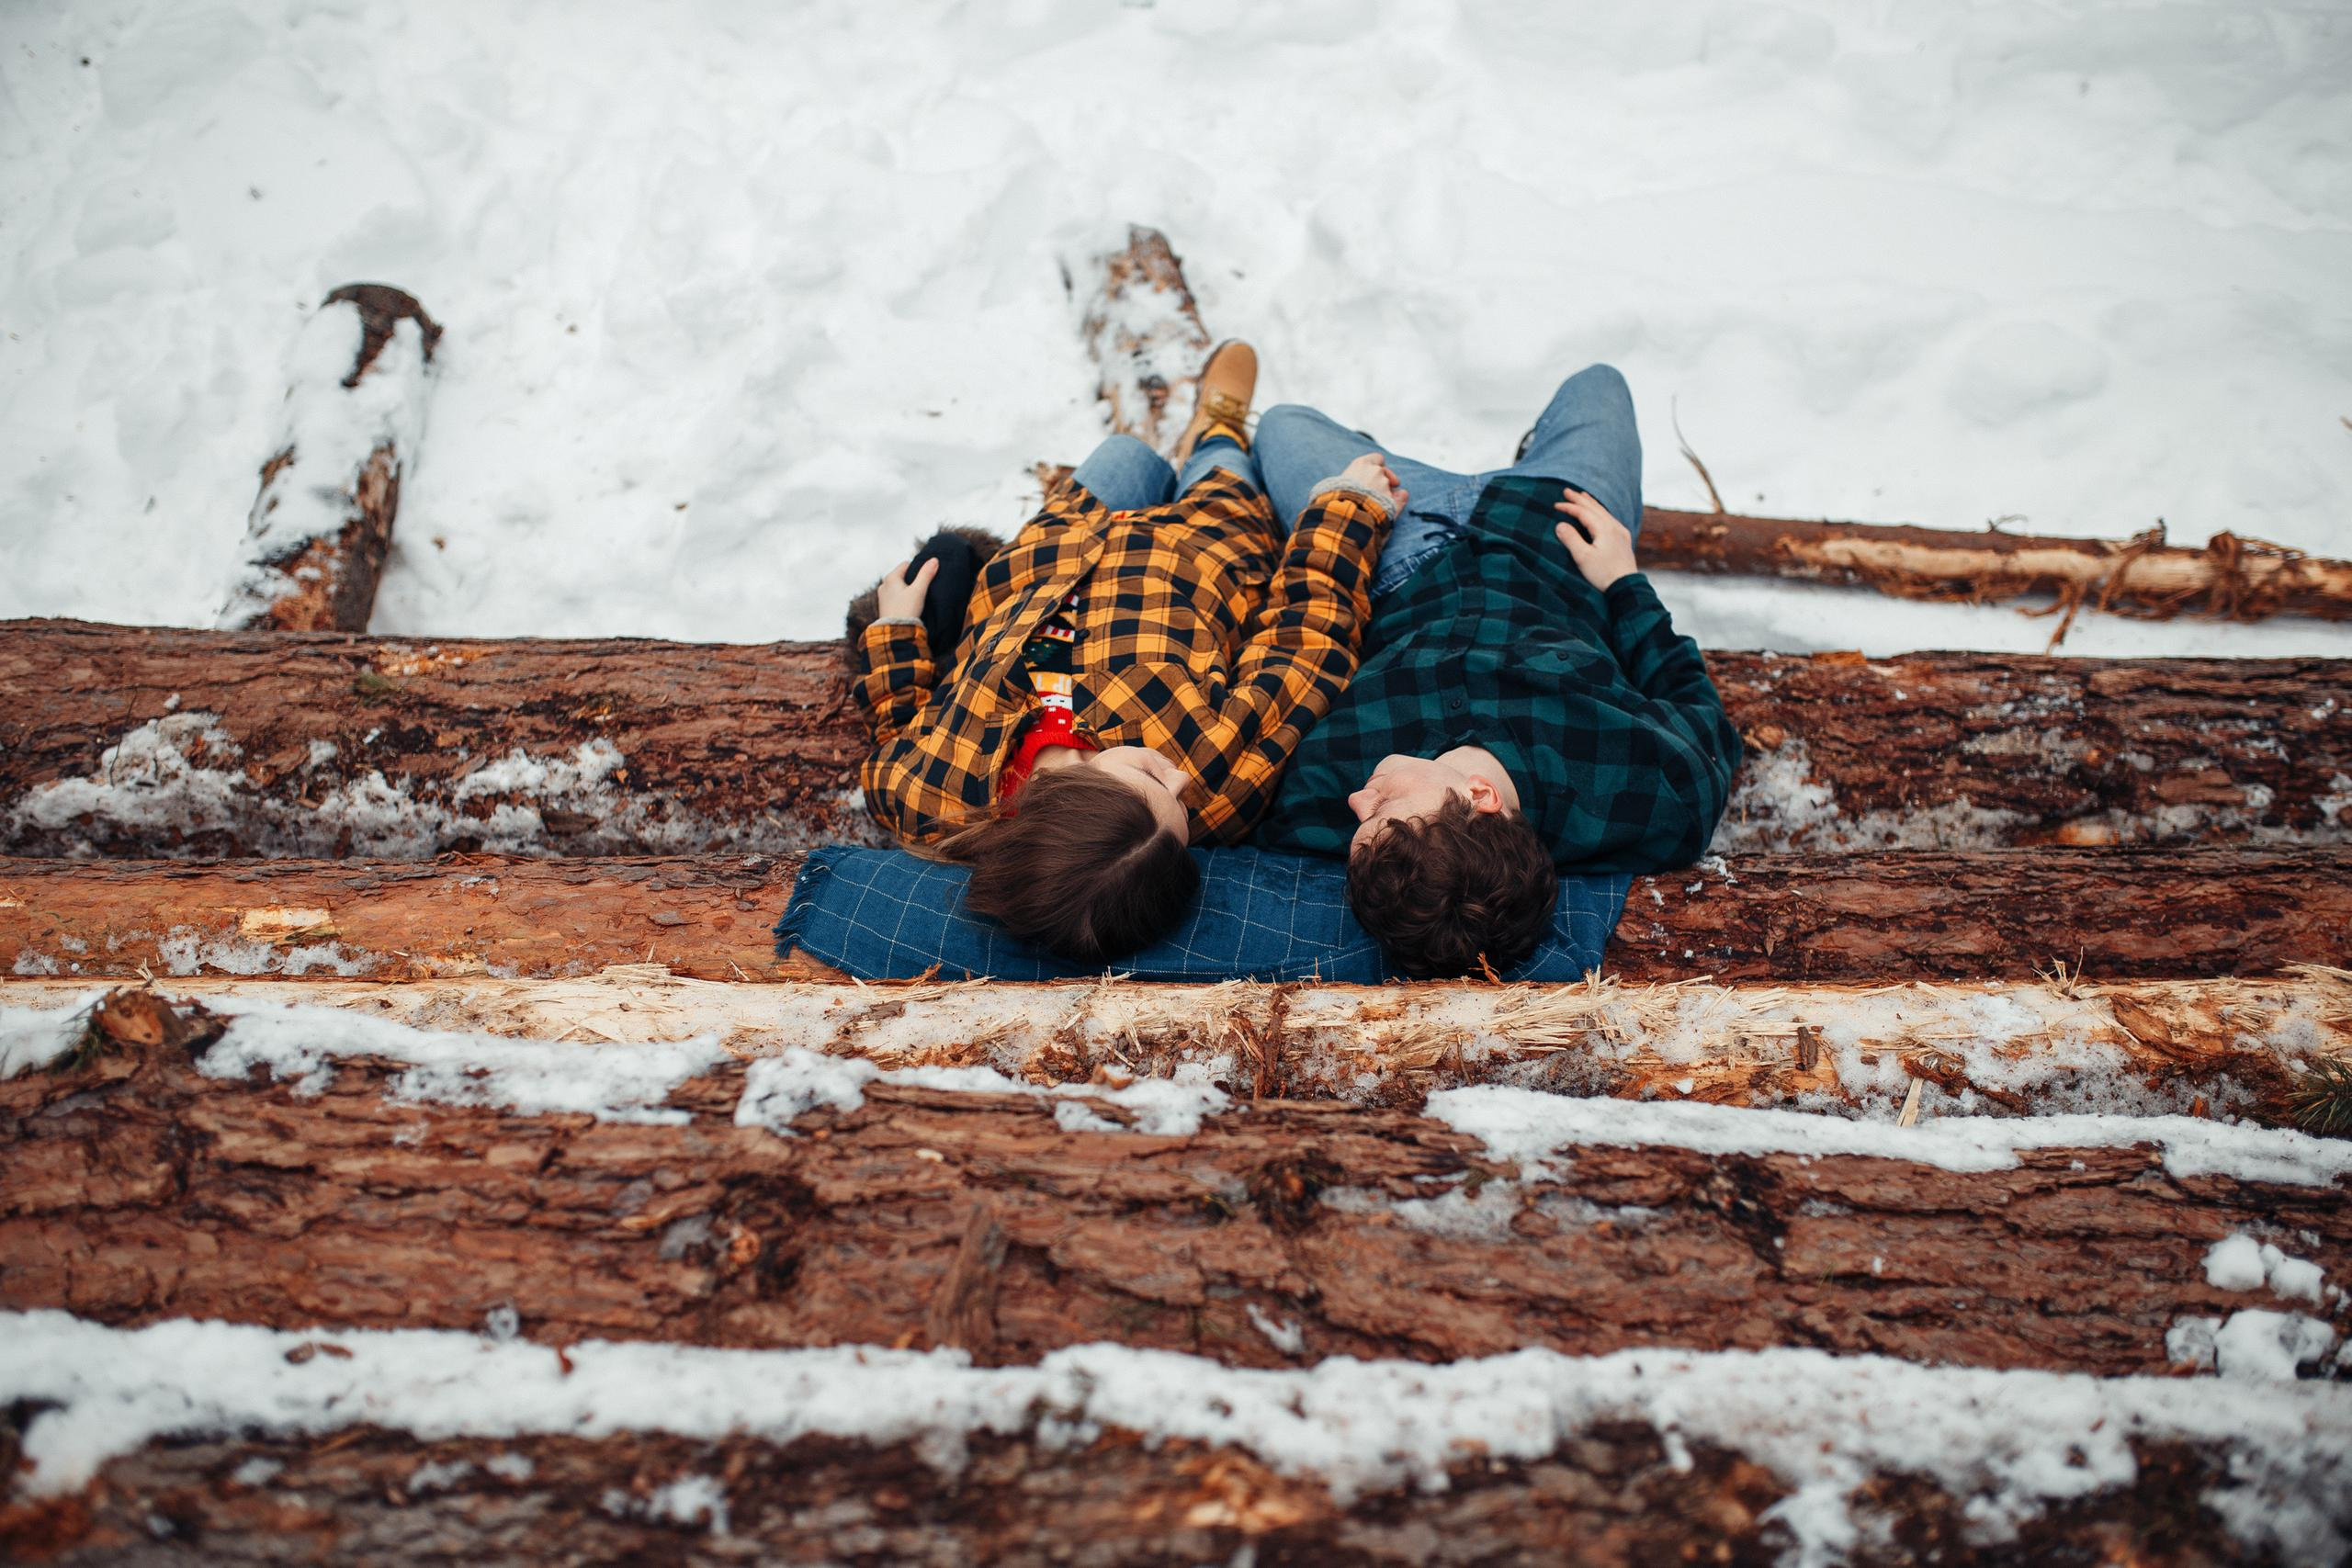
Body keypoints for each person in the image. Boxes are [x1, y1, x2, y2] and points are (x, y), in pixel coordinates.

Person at [851, 342, 1402, 964]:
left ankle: (1162, 449)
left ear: (1061, 794)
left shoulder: (923, 798)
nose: (1180, 779)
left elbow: (898, 724)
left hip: (1063, 540)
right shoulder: (1215, 775)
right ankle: (1215, 428)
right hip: (1207, 538)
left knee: (1125, 455)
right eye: (1182, 816)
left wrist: (895, 629)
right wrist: (1352, 512)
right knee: (1220, 458)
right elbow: (1307, 640)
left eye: (1151, 780)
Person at [1248, 364, 1742, 979]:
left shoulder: (1311, 801)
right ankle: (1526, 456)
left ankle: (1381, 460)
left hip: (1395, 545)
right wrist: (1624, 580)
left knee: (1281, 424)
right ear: (1480, 797)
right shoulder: (1656, 797)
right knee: (1600, 385)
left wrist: (1352, 510)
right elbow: (1692, 699)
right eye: (1381, 808)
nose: (1357, 799)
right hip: (1556, 531)